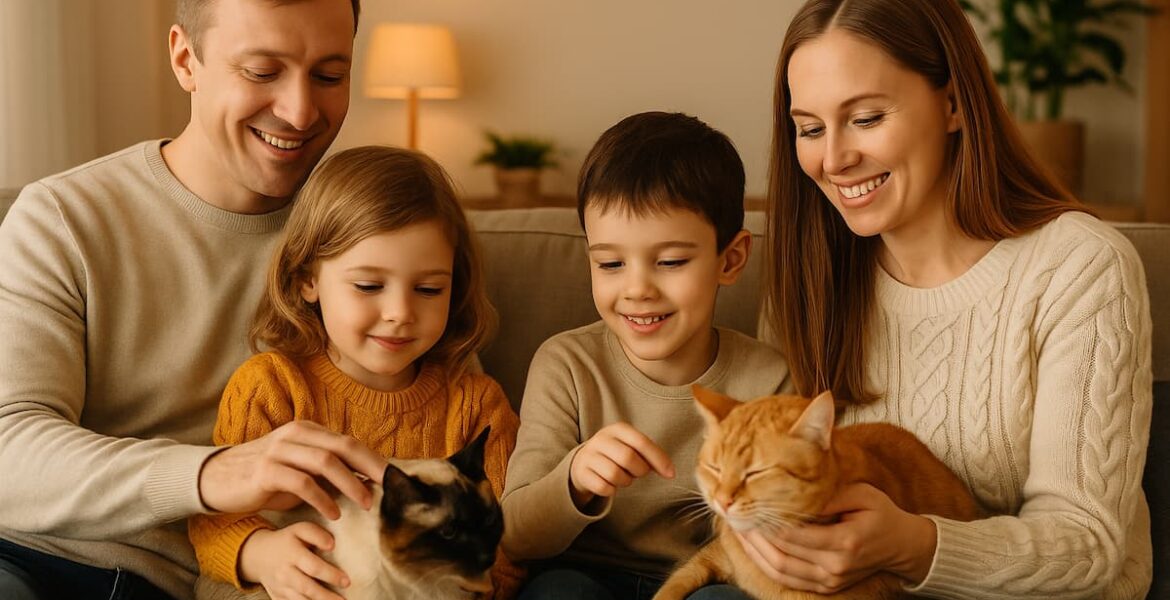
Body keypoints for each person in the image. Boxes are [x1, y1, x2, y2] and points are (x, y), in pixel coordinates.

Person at [750, 0, 1154, 597]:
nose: (834, 159)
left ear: (953, 104)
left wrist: (914, 545)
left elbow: (1088, 545)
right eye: (810, 129)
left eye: (865, 118)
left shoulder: (1079, 266)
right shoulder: (809, 277)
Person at [0, 2, 389, 599]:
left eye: (330, 76)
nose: (300, 110)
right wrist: (210, 473)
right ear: (186, 59)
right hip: (39, 562)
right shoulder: (63, 219)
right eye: (262, 72)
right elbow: (9, 450)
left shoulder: (372, 238)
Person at [187, 145, 523, 600]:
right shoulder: (271, 388)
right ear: (308, 279)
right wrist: (259, 552)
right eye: (368, 286)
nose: (400, 313)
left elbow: (510, 544)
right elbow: (215, 520)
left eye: (428, 288)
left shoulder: (477, 406)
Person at [500, 111, 790, 600]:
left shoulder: (768, 378)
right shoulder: (567, 364)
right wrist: (573, 479)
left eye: (671, 262)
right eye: (610, 263)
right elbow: (516, 534)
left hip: (708, 577)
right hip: (583, 575)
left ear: (731, 259)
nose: (637, 289)